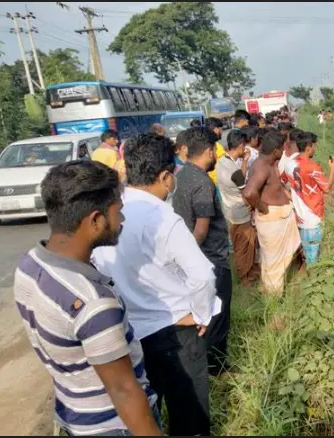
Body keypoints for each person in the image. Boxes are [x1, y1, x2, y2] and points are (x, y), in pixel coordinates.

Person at [14, 160, 162, 436]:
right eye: (118, 212)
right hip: (113, 426)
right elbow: (124, 391)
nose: (122, 220)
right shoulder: (93, 304)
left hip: (74, 413)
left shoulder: (31, 265)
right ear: (95, 220)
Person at [91, 134, 220, 436]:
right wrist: (200, 314)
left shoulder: (108, 212)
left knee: (145, 412)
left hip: (126, 333)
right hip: (173, 330)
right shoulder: (163, 218)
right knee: (189, 413)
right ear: (165, 176)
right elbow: (202, 275)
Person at [172, 127, 231, 375]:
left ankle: (202, 363)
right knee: (217, 315)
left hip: (191, 261)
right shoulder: (202, 182)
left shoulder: (181, 175)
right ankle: (216, 367)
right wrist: (193, 258)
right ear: (208, 151)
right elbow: (202, 229)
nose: (216, 157)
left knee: (200, 314)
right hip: (212, 260)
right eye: (214, 152)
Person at [242, 130, 301, 296]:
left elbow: (276, 186)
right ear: (275, 151)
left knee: (274, 261)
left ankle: (273, 292)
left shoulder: (269, 163)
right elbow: (249, 193)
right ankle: (273, 300)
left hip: (279, 216)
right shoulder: (262, 167)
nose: (284, 151)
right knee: (273, 263)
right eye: (282, 149)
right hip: (272, 219)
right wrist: (263, 207)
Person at [281, 132, 334, 265]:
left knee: (306, 251)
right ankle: (313, 279)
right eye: (314, 146)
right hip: (313, 216)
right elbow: (327, 188)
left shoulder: (289, 164)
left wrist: (291, 197)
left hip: (299, 216)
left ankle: (307, 273)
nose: (315, 149)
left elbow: (281, 181)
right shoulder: (312, 167)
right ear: (308, 147)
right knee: (313, 255)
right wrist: (333, 169)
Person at [216, 130, 259, 287]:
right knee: (244, 246)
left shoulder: (221, 162)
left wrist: (244, 162)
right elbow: (246, 193)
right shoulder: (234, 172)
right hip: (240, 213)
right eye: (244, 147)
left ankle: (248, 271)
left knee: (239, 243)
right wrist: (255, 207)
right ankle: (244, 277)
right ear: (241, 146)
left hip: (228, 210)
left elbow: (237, 180)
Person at [204, 117, 227, 186]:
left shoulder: (204, 144)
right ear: (216, 129)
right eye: (221, 129)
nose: (221, 132)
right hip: (218, 184)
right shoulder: (217, 147)